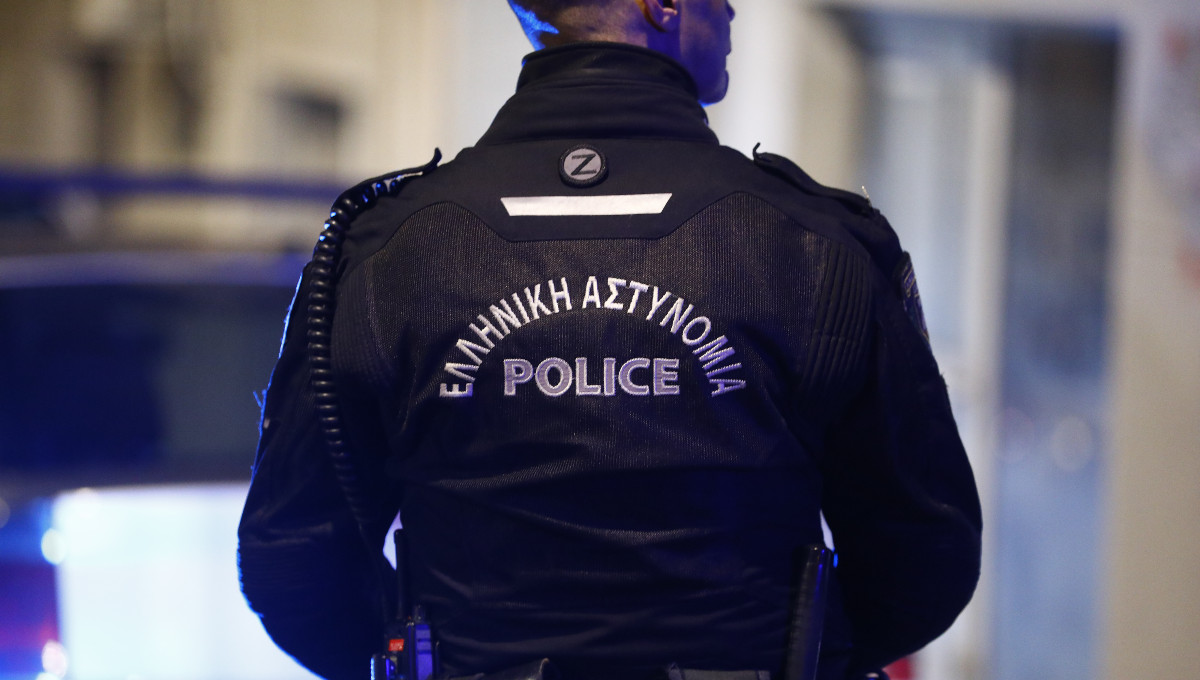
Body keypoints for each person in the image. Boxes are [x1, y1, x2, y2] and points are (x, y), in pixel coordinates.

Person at [237, 1, 983, 679]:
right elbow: (925, 556)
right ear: (662, 5)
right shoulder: (817, 244)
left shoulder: (385, 250)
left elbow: (293, 560)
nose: (730, 9)